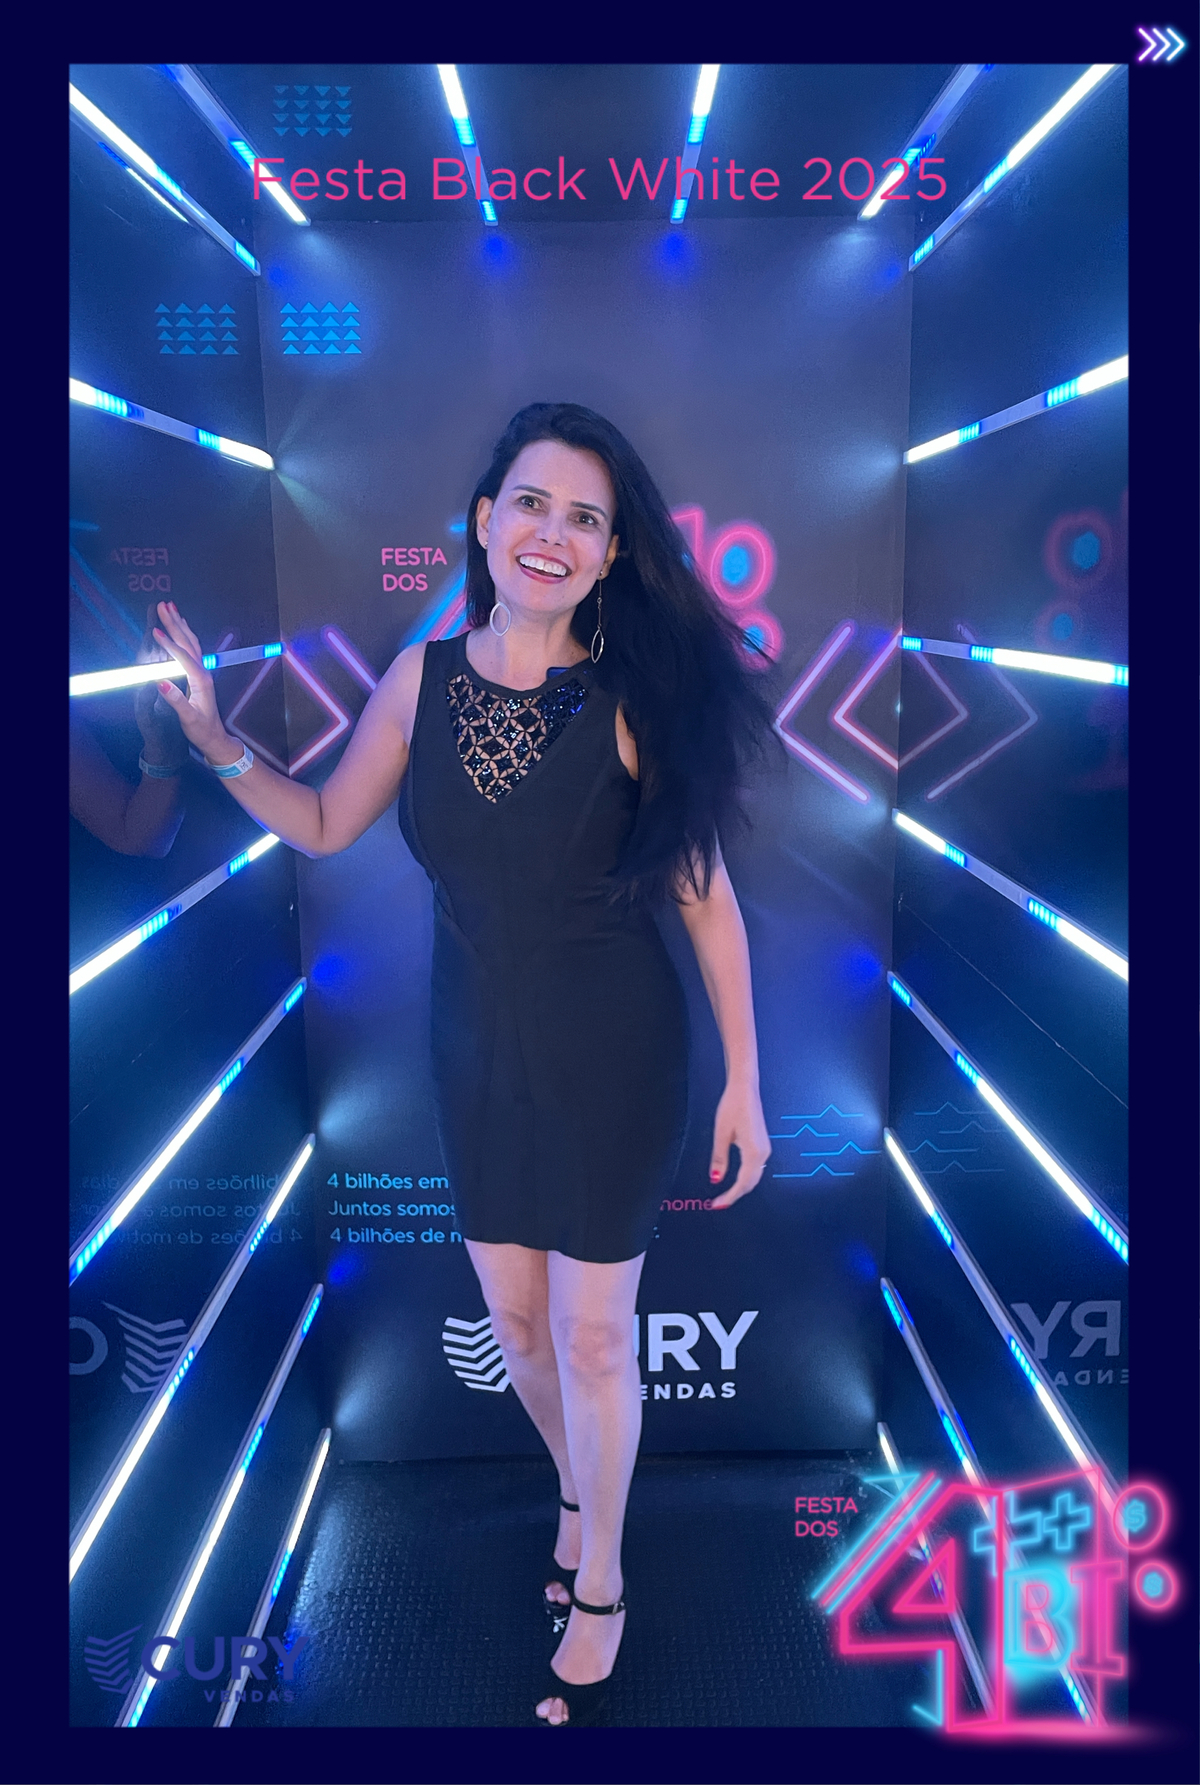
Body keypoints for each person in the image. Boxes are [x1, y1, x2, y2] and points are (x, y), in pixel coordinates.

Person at [150, 402, 776, 1727]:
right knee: (521, 1331)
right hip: (474, 1054)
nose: (554, 533)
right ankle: (581, 1492)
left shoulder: (629, 704)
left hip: (618, 1059)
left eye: (586, 518)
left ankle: (601, 1581)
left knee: (596, 1338)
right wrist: (213, 742)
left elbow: (707, 899)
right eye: (532, 503)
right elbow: (325, 821)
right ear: (486, 521)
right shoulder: (420, 681)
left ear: (611, 555)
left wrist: (745, 1080)